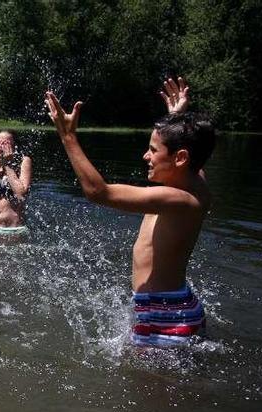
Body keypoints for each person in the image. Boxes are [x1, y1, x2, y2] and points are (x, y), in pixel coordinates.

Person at [44, 77, 215, 347]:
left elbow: (99, 192)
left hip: (165, 318)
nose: (145, 156)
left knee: (150, 389)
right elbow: (189, 153)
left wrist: (68, 136)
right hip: (175, 305)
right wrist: (176, 119)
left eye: (153, 150)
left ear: (180, 158)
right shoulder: (196, 182)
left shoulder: (177, 199)